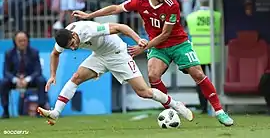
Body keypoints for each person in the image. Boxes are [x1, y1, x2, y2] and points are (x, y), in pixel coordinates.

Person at [71, 0, 234, 126]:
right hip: (158, 47)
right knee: (153, 75)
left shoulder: (172, 5)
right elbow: (115, 8)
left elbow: (165, 34)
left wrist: (143, 47)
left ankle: (219, 111)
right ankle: (171, 110)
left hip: (178, 43)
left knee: (197, 73)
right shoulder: (140, 1)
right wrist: (89, 16)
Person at [37, 21, 193, 125]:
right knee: (76, 77)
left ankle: (176, 105)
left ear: (74, 35)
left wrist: (138, 40)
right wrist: (52, 75)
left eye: (73, 44)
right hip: (99, 56)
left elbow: (120, 27)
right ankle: (56, 112)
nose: (73, 48)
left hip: (117, 53)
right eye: (69, 47)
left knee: (143, 92)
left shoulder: (88, 30)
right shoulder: (64, 39)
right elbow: (54, 54)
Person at [186, 0, 221, 114]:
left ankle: (204, 107)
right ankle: (218, 106)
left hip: (198, 54)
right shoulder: (218, 16)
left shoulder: (191, 17)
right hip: (214, 53)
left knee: (200, 82)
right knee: (216, 81)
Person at [0, 31, 47, 118]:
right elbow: (6, 72)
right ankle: (5, 111)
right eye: (20, 41)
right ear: (15, 41)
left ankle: (41, 109)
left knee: (41, 80)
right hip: (15, 81)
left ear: (28, 41)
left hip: (30, 80)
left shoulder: (34, 52)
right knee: (3, 82)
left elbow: (38, 70)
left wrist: (27, 79)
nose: (22, 43)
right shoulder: (9, 53)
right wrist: (15, 80)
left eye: (24, 40)